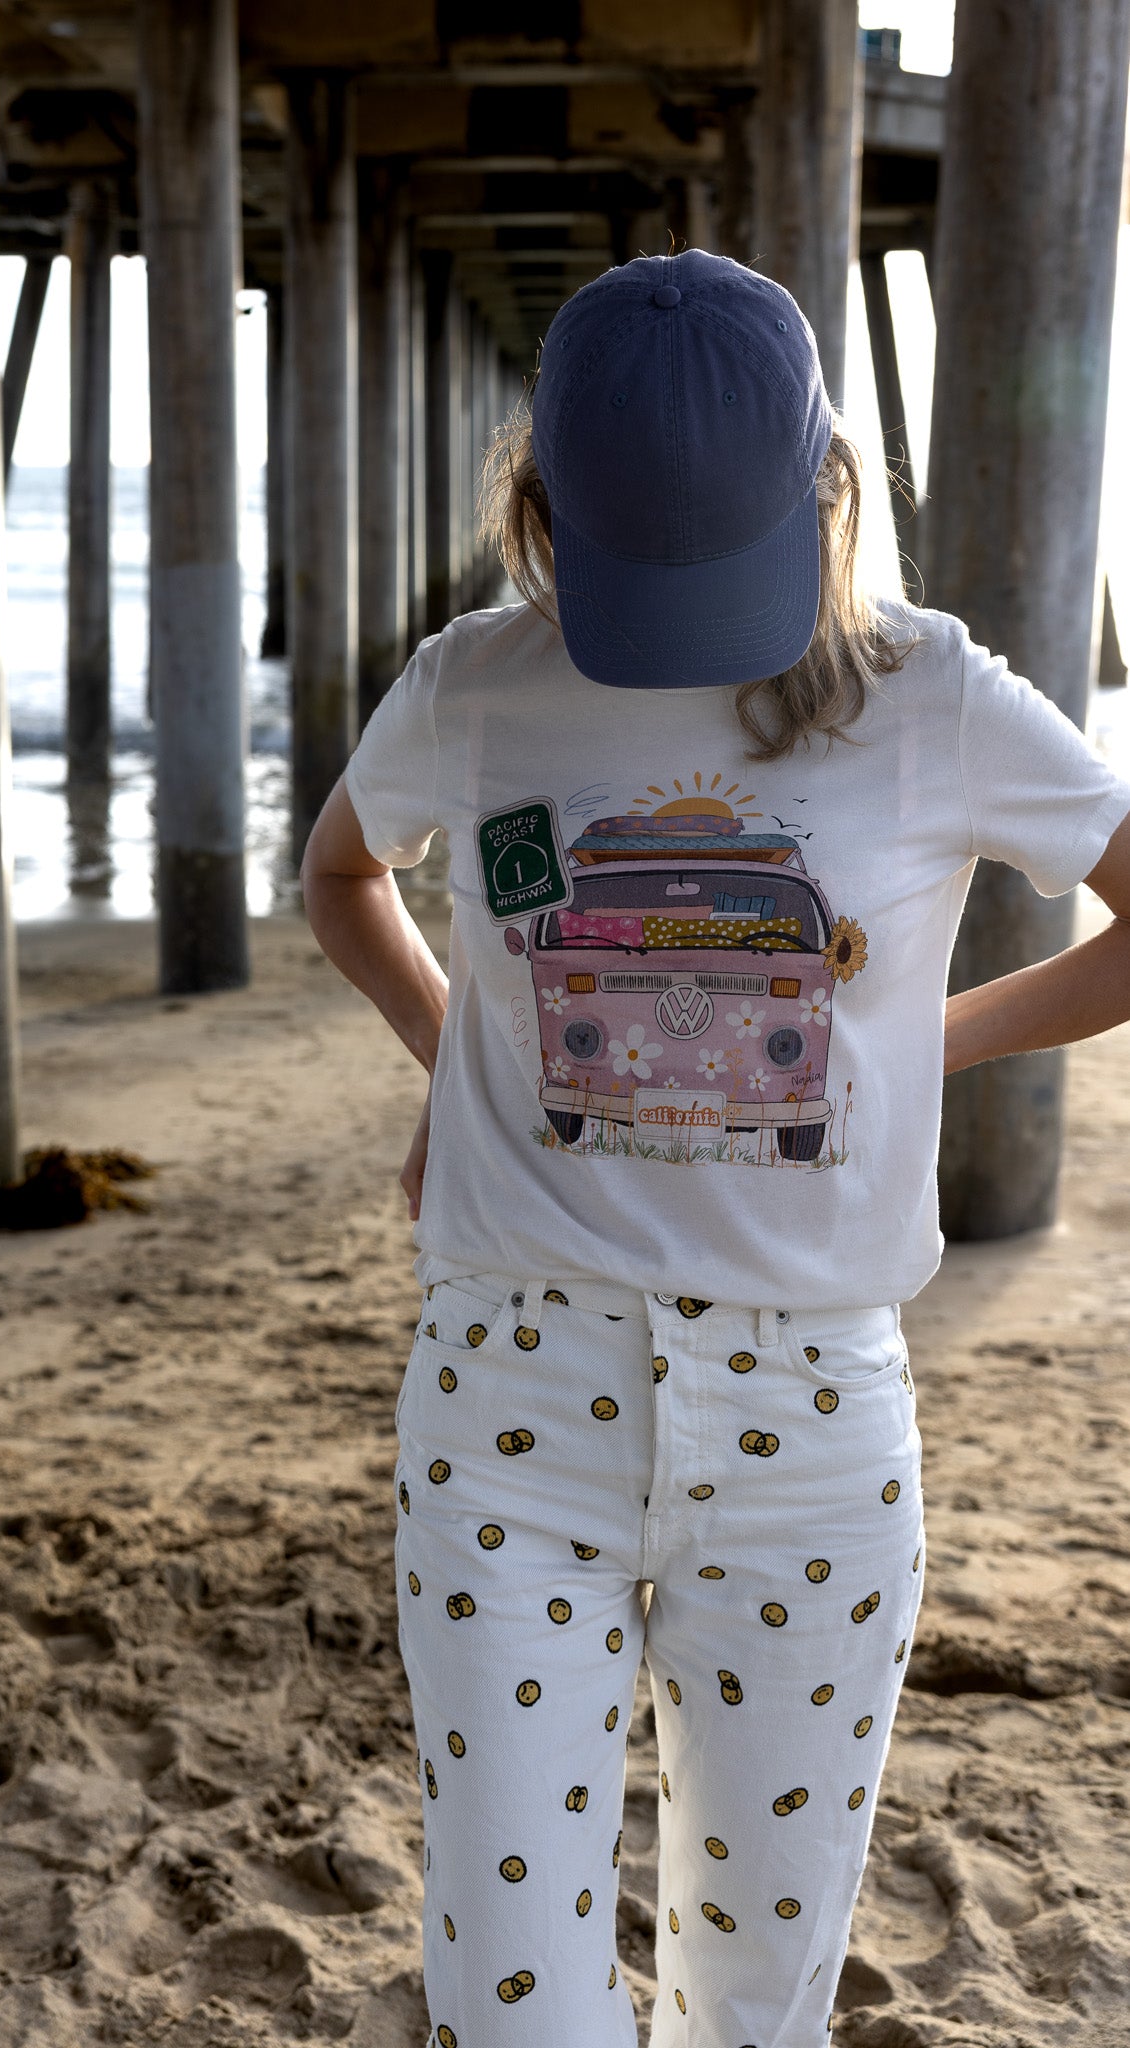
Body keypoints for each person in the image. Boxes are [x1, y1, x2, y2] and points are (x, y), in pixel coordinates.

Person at [300, 249, 1130, 2048]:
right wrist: (463, 1062)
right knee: (514, 2007)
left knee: (757, 2000)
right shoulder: (473, 687)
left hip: (813, 1421)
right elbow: (339, 875)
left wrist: (918, 1038)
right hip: (512, 1399)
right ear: (534, 508)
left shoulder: (931, 696)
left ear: (831, 490)